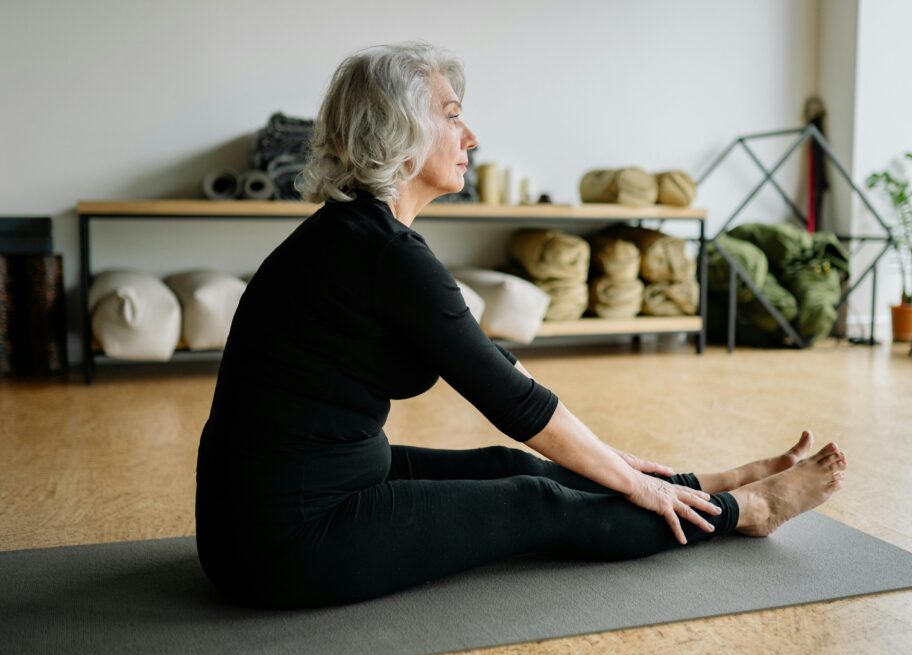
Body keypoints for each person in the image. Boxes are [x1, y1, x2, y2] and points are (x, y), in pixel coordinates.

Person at [195, 42, 847, 608]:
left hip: (286, 503)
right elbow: (515, 402)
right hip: (286, 541)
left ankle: (704, 485)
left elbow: (492, 364)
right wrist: (628, 480)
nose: (471, 136)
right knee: (533, 501)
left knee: (506, 465)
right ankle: (747, 510)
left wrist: (628, 466)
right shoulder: (382, 252)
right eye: (452, 116)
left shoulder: (356, 236)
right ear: (400, 130)